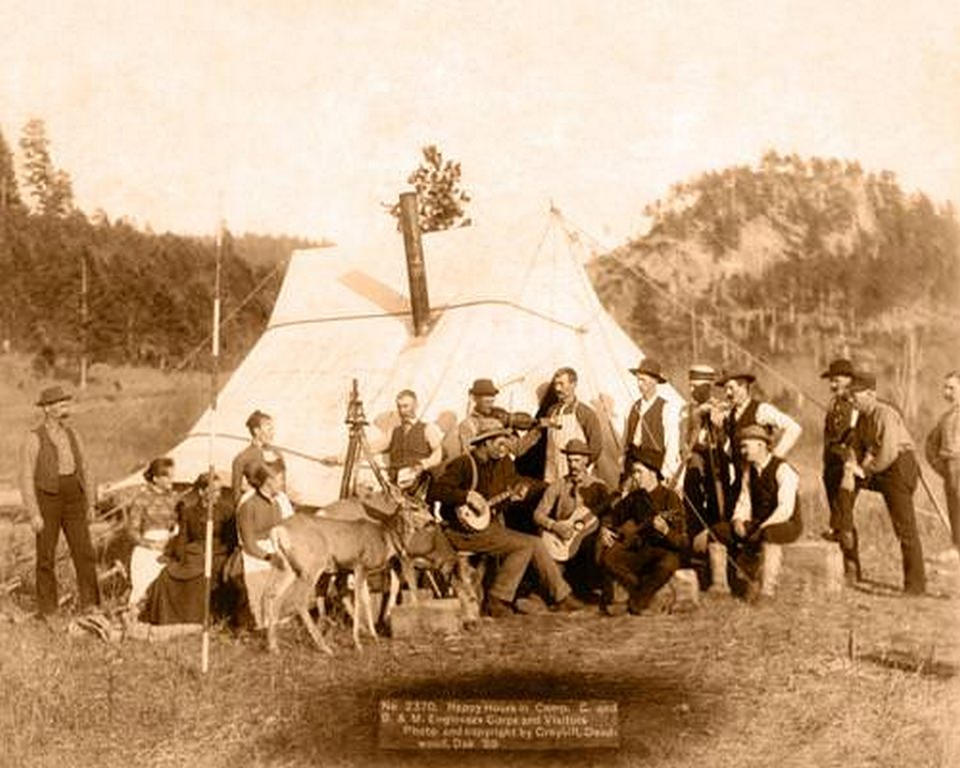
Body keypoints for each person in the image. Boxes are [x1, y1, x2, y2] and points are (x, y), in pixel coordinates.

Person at [427, 425, 585, 617]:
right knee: (524, 546)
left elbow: (508, 491)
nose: (504, 449)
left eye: (506, 444)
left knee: (534, 543)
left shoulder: (504, 464)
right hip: (461, 532)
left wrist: (515, 496)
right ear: (486, 443)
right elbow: (436, 491)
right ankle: (497, 599)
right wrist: (465, 496)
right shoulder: (463, 464)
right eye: (500, 444)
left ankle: (562, 596)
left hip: (489, 528)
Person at [18, 385, 100, 619]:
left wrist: (90, 503)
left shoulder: (73, 434)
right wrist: (34, 513)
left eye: (67, 403)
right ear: (47, 409)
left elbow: (86, 467)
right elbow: (25, 477)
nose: (66, 407)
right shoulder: (33, 437)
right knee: (46, 557)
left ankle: (91, 606)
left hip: (75, 498)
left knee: (84, 552)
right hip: (47, 500)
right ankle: (48, 610)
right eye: (61, 403)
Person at [849, 372, 926, 595]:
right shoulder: (862, 418)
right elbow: (859, 448)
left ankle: (915, 586)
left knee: (905, 528)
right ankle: (841, 523)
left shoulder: (885, 413)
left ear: (871, 394)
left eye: (856, 395)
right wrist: (854, 466)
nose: (852, 400)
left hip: (900, 467)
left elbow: (889, 453)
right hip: (883, 468)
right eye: (851, 395)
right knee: (848, 479)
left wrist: (864, 471)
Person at [715, 425, 802, 601]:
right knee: (718, 532)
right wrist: (738, 520)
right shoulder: (749, 470)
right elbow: (744, 501)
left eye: (746, 446)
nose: (742, 451)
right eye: (741, 447)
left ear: (761, 446)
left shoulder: (783, 469)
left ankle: (767, 590)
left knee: (769, 535)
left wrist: (760, 528)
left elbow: (785, 509)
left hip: (785, 523)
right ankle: (719, 586)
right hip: (759, 521)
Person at [597, 447, 688, 614]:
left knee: (669, 562)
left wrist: (666, 530)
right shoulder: (635, 497)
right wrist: (605, 528)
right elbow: (612, 516)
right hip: (638, 553)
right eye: (634, 472)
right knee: (609, 557)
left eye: (639, 472)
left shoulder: (670, 498)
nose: (635, 477)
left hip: (661, 554)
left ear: (653, 473)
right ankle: (643, 593)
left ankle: (636, 602)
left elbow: (682, 542)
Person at [141, 473, 238, 625]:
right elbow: (183, 537)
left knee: (202, 576)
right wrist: (175, 557)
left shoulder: (226, 511)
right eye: (214, 491)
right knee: (167, 575)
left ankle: (200, 619)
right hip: (194, 552)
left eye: (220, 490)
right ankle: (168, 618)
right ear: (201, 492)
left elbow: (232, 541)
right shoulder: (190, 511)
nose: (218, 495)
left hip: (219, 552)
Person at [532, 439, 612, 597]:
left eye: (577, 460)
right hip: (561, 540)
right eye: (569, 460)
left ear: (586, 461)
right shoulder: (558, 485)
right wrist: (555, 526)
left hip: (587, 542)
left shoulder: (599, 486)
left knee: (599, 545)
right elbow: (538, 514)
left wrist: (604, 527)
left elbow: (608, 514)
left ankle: (594, 588)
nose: (573, 465)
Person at [716, 371, 802, 509]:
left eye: (731, 388)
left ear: (744, 387)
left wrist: (775, 457)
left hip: (762, 480)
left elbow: (794, 428)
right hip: (741, 481)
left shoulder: (762, 410)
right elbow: (731, 450)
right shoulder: (729, 416)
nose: (727, 394)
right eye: (725, 389)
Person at [818, 359, 862, 579]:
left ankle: (852, 568)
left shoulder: (855, 404)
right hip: (831, 464)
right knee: (837, 514)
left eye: (837, 379)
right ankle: (844, 567)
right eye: (832, 380)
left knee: (844, 516)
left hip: (846, 464)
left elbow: (856, 435)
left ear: (848, 380)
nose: (833, 384)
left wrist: (850, 462)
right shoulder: (833, 403)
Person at [236, 464, 286, 629]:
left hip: (274, 548)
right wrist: (269, 557)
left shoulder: (276, 504)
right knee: (260, 586)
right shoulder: (248, 506)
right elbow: (249, 543)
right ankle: (262, 623)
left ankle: (276, 620)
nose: (282, 484)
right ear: (268, 481)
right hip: (255, 554)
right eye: (280, 480)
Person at [126, 457, 179, 607]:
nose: (172, 480)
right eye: (167, 476)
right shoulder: (141, 499)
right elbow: (132, 530)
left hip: (170, 545)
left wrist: (172, 540)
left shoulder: (175, 498)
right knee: (145, 586)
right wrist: (152, 545)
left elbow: (179, 524)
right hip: (147, 548)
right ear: (156, 478)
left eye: (172, 476)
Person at [541, 367, 603, 484]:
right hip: (552, 473)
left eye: (561, 384)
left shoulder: (585, 413)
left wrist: (579, 466)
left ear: (573, 384)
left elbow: (596, 446)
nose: (557, 388)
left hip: (574, 476)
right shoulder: (551, 411)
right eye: (555, 384)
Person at [623, 358, 682, 482]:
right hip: (632, 464)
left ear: (654, 381)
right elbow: (626, 439)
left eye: (643, 380)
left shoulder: (666, 408)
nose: (639, 384)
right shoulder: (633, 407)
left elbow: (671, 443)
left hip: (653, 466)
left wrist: (666, 471)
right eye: (638, 380)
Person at [926, 370, 960, 552]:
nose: (946, 393)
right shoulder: (945, 418)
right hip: (951, 469)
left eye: (951, 388)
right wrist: (942, 467)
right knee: (955, 512)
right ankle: (957, 551)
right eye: (945, 388)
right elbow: (930, 444)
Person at [385, 390, 443, 492]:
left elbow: (438, 454)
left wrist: (423, 465)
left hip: (417, 486)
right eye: (399, 407)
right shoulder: (393, 431)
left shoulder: (428, 429)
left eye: (406, 406)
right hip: (393, 487)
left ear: (416, 405)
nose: (402, 411)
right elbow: (373, 447)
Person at [231, 410, 286, 504]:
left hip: (278, 504)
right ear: (257, 431)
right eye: (269, 429)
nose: (273, 433)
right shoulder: (242, 458)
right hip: (256, 506)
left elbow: (283, 488)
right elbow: (236, 496)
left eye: (273, 429)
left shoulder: (277, 454)